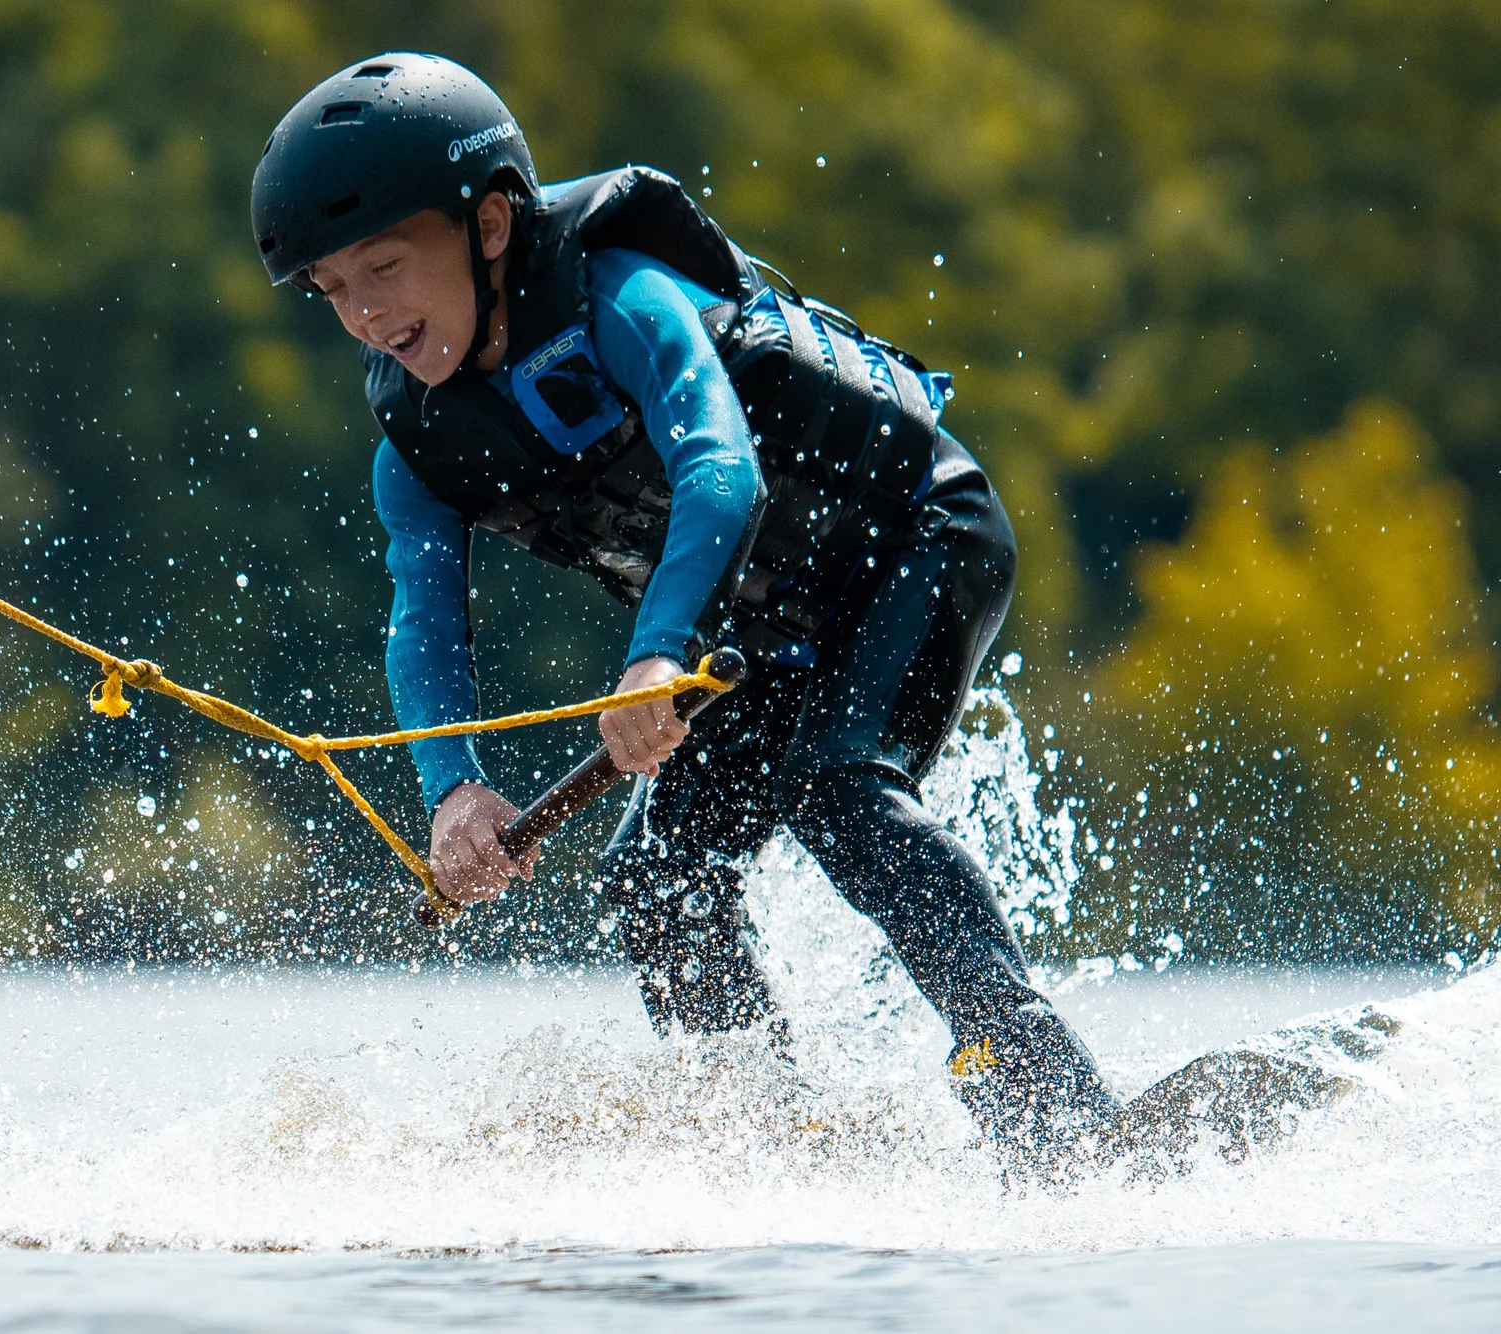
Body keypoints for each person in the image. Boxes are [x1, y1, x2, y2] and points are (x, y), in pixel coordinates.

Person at [250, 53, 1124, 1168]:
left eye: (383, 265)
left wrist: (651, 655)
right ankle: (771, 1143)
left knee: (842, 787)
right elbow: (422, 623)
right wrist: (452, 786)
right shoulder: (417, 450)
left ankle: (1055, 1112)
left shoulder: (623, 299)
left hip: (917, 538)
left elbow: (722, 472)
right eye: (332, 289)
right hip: (767, 639)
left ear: (489, 222)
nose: (366, 314)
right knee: (652, 878)